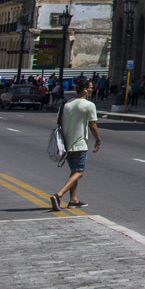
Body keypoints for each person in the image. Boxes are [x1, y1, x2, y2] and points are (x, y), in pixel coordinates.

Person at [51, 80, 100, 211]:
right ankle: (59, 195)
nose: (92, 90)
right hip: (79, 144)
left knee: (73, 172)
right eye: (90, 88)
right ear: (84, 90)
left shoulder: (66, 104)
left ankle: (73, 200)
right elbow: (92, 125)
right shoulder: (89, 105)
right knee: (79, 172)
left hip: (66, 145)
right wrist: (98, 140)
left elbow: (60, 122)